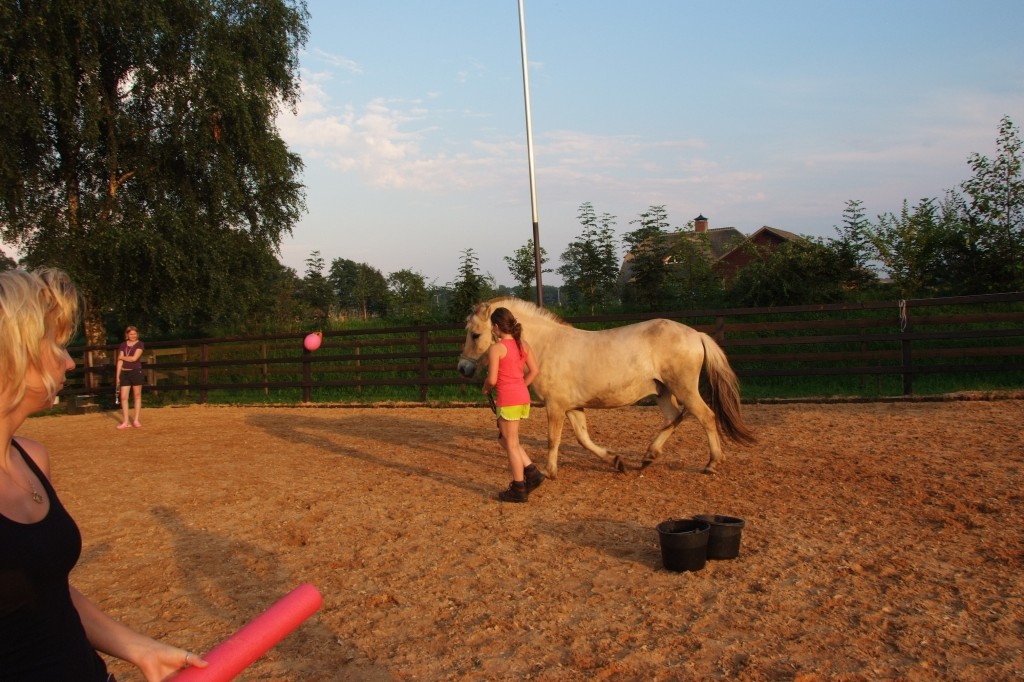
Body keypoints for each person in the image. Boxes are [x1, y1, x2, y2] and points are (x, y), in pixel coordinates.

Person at [0, 267, 207, 680]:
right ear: (10, 354)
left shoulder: (33, 459)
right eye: (55, 344)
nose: (69, 360)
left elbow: (47, 590)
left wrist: (140, 649)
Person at [481, 306, 543, 502]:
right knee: (505, 439)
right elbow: (534, 371)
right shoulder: (523, 344)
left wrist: (485, 388)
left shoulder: (496, 349)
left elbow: (492, 379)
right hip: (521, 397)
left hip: (508, 399)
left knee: (511, 444)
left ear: (496, 327)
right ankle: (532, 472)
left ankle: (519, 487)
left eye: (492, 326)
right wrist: (520, 386)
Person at [115, 326, 144, 429]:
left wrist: (122, 357)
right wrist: (117, 376)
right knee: (123, 397)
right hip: (124, 373)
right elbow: (120, 361)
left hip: (136, 372)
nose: (133, 336)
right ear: (127, 335)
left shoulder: (140, 344)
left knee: (137, 395)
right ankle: (126, 421)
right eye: (131, 334)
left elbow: (134, 358)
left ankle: (136, 420)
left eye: (134, 334)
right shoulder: (123, 345)